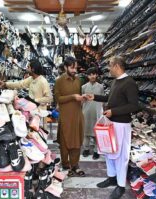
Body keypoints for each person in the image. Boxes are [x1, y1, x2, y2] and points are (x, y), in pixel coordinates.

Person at [84, 56, 139, 199]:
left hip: (121, 124)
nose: (108, 69)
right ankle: (112, 177)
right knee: (109, 152)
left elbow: (134, 105)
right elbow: (110, 98)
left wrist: (114, 112)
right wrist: (94, 97)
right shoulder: (116, 81)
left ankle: (120, 185)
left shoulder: (129, 83)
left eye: (110, 65)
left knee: (121, 156)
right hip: (111, 123)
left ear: (116, 66)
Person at [0, 59, 53, 128]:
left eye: (28, 67)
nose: (26, 68)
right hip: (30, 111)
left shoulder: (43, 81)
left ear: (33, 69)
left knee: (36, 133)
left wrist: (35, 100)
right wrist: (5, 84)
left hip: (39, 113)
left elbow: (49, 98)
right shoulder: (31, 79)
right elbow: (20, 84)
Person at [54, 56, 85, 177]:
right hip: (65, 116)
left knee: (76, 141)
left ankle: (75, 165)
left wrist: (83, 98)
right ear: (66, 67)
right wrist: (73, 97)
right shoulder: (59, 81)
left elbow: (79, 96)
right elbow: (58, 99)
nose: (74, 70)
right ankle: (66, 164)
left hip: (77, 115)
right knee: (64, 141)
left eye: (75, 68)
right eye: (72, 68)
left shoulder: (78, 80)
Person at [82, 67, 104, 160]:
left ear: (97, 75)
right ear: (87, 76)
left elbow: (103, 99)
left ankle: (96, 151)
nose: (92, 76)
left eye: (94, 74)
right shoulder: (83, 87)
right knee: (86, 132)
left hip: (97, 112)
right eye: (90, 74)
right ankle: (86, 149)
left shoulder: (101, 86)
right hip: (86, 112)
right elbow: (82, 100)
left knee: (96, 133)